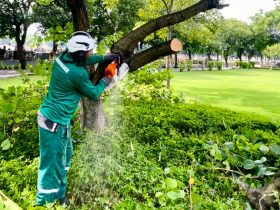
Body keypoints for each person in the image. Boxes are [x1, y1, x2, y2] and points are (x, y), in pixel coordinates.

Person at [36, 31, 121, 206]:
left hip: (56, 119)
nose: (91, 54)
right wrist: (106, 80)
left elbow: (84, 60)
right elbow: (93, 93)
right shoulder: (78, 74)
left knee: (65, 156)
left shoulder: (62, 58)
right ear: (81, 53)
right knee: (51, 165)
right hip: (54, 123)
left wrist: (105, 57)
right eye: (89, 51)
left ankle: (59, 191)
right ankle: (46, 201)